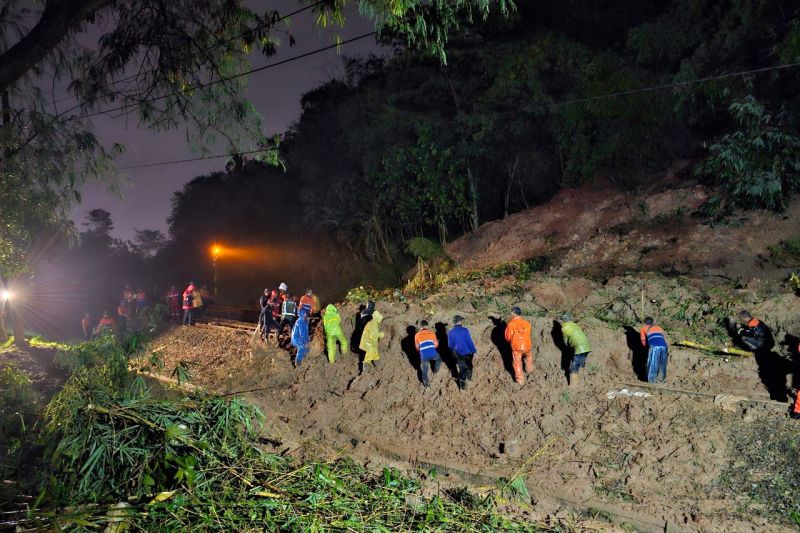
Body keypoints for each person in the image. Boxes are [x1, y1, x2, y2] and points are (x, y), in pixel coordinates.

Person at [561, 312, 592, 386]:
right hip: (587, 347)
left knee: (574, 368)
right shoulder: (575, 325)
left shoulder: (564, 328)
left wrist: (566, 348)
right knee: (581, 363)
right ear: (570, 318)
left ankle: (574, 385)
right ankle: (584, 378)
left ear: (563, 319)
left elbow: (565, 341)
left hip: (580, 348)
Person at [448, 315, 477, 390]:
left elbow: (450, 346)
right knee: (470, 366)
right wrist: (474, 351)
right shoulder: (465, 330)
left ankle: (462, 387)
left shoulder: (450, 332)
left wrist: (453, 353)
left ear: (454, 322)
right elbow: (469, 341)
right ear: (460, 321)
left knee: (462, 369)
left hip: (457, 353)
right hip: (467, 352)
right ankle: (469, 379)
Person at [505, 307, 533, 385]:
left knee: (517, 363)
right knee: (529, 356)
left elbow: (507, 337)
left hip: (517, 347)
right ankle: (529, 370)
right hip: (527, 345)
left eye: (511, 312)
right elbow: (529, 334)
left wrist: (513, 341)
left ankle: (520, 380)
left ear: (514, 313)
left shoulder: (511, 324)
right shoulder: (527, 323)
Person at [640, 317, 668, 384]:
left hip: (654, 346)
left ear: (645, 322)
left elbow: (643, 340)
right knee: (662, 364)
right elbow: (664, 338)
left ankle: (652, 381)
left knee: (653, 362)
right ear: (652, 322)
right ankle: (661, 380)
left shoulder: (643, 328)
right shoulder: (659, 327)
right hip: (664, 346)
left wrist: (646, 347)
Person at [415, 320, 441, 388]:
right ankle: (435, 370)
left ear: (420, 327)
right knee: (438, 359)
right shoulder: (432, 333)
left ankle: (426, 385)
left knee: (424, 370)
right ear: (427, 326)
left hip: (424, 356)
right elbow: (436, 345)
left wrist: (421, 352)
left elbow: (417, 347)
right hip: (433, 353)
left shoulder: (417, 335)